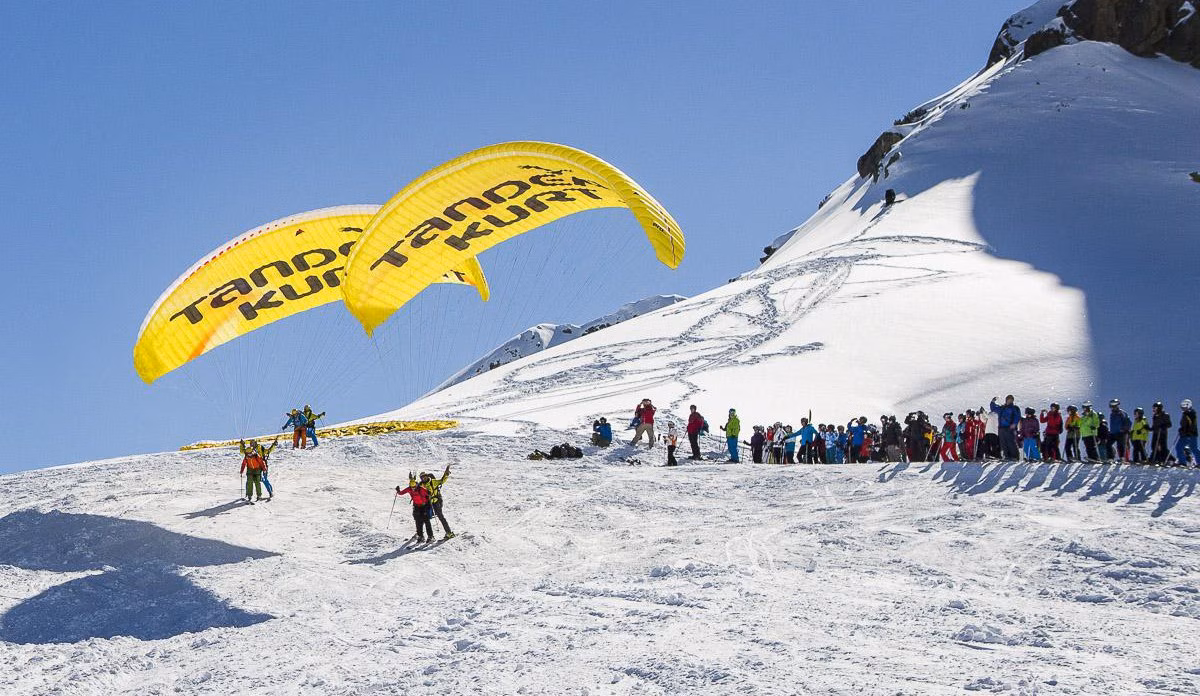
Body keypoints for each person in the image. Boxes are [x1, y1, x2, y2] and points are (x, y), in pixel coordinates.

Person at [395, 475, 434, 543]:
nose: (413, 488)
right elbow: (401, 493)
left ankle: (430, 537)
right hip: (416, 507)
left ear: (416, 485)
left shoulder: (421, 489)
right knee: (418, 522)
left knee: (426, 521)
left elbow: (429, 493)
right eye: (412, 487)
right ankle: (420, 536)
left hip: (424, 506)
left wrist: (429, 493)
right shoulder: (409, 489)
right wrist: (398, 491)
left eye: (414, 487)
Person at [420, 466, 455, 540]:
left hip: (436, 502)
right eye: (422, 477)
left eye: (425, 477)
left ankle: (449, 533)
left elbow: (442, 481)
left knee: (441, 517)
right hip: (428, 503)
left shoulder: (433, 482)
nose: (424, 478)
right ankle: (419, 533)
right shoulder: (421, 485)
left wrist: (446, 474)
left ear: (427, 476)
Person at [990, 396, 1022, 460]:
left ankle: (1014, 456)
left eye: (1011, 400)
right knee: (1003, 442)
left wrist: (1014, 424)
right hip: (1001, 428)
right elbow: (993, 408)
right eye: (1008, 400)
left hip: (1009, 427)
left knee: (1011, 442)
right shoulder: (1002, 408)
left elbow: (1017, 416)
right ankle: (1006, 456)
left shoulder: (1014, 408)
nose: (1009, 401)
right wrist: (992, 401)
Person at [1178, 399, 1199, 465]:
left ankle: (1199, 462)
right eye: (1182, 408)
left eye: (1184, 407)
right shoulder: (1185, 414)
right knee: (1179, 447)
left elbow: (1192, 425)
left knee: (1193, 448)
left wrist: (1189, 432)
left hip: (1191, 434)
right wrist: (1181, 429)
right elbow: (1184, 424)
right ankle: (1182, 462)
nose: (1183, 409)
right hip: (1184, 434)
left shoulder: (1191, 414)